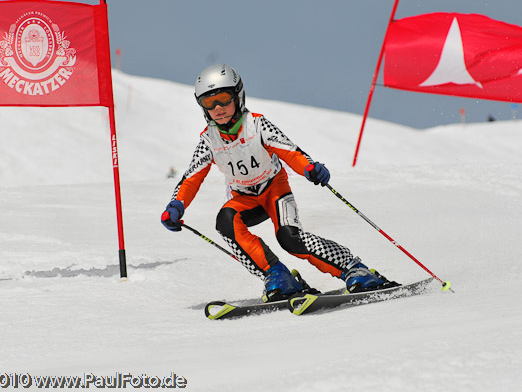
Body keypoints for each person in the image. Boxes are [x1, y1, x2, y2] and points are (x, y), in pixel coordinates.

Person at [161, 64, 397, 302]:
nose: (218, 108)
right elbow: (192, 177)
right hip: (244, 198)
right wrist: (176, 205)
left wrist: (309, 167)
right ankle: (278, 276)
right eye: (208, 103)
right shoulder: (208, 140)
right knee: (226, 222)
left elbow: (289, 151)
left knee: (290, 238)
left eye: (223, 99)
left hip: (274, 189)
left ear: (238, 96)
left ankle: (355, 269)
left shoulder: (257, 124)